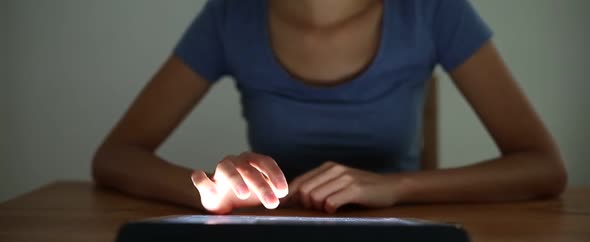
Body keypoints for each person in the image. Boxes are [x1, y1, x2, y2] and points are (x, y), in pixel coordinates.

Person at [92, 0, 567, 215]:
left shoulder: (433, 10)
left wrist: (397, 186)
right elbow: (115, 155)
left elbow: (542, 167)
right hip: (272, 238)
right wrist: (210, 191)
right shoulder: (230, 15)